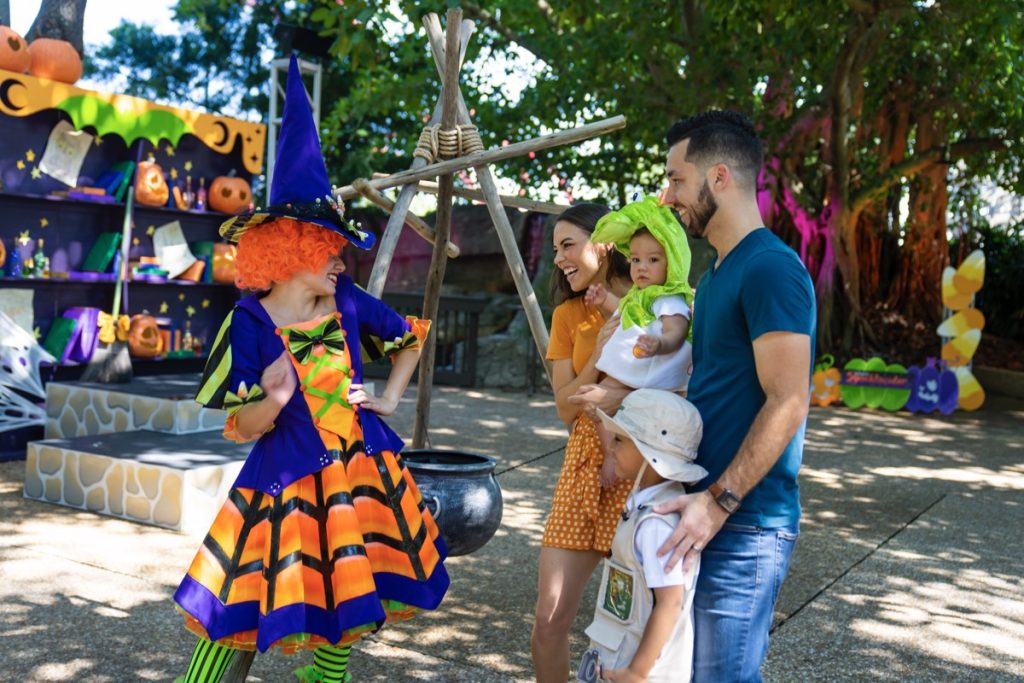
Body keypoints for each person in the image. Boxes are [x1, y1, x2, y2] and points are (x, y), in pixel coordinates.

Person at [172, 56, 449, 683]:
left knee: (353, 597)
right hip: (285, 479)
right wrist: (272, 399)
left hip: (360, 469)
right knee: (235, 607)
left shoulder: (347, 300)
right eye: (328, 249)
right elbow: (237, 422)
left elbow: (412, 338)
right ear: (291, 249)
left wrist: (389, 398)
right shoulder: (248, 320)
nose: (339, 261)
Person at [654, 110, 816, 682]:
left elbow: (789, 401)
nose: (667, 194)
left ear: (718, 177)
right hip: (704, 511)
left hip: (744, 523)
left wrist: (718, 503)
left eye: (676, 178)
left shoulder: (771, 268)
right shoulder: (717, 274)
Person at [531, 202, 635, 683]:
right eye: (555, 249)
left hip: (641, 471)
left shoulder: (654, 303)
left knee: (639, 625)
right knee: (548, 621)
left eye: (568, 244)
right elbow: (565, 407)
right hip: (583, 466)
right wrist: (599, 350)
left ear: (605, 243)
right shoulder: (568, 316)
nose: (559, 258)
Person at [583, 389, 706, 683]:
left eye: (620, 441)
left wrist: (637, 672)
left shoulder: (655, 524)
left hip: (642, 669)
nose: (610, 448)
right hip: (619, 652)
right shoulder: (642, 507)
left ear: (650, 455)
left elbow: (670, 602)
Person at [585, 195, 694, 393]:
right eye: (635, 260)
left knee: (605, 403)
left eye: (653, 260)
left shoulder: (668, 297)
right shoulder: (641, 295)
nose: (642, 267)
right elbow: (627, 310)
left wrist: (660, 343)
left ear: (673, 263)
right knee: (602, 402)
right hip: (633, 368)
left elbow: (677, 331)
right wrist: (604, 300)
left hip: (650, 372)